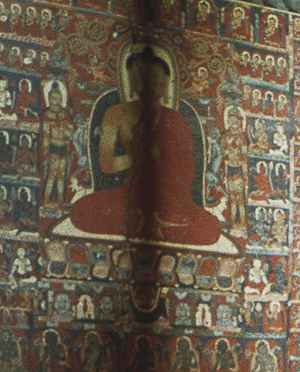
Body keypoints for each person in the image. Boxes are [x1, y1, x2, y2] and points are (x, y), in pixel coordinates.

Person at [62, 43, 222, 251]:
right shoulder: (116, 114)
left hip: (170, 201)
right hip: (130, 195)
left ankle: (151, 222)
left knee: (210, 229)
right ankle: (148, 223)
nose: (148, 84)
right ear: (131, 80)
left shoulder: (178, 121)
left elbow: (188, 173)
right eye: (140, 76)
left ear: (166, 84)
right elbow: (107, 165)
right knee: (81, 212)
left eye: (156, 78)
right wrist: (138, 158)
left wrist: (163, 169)